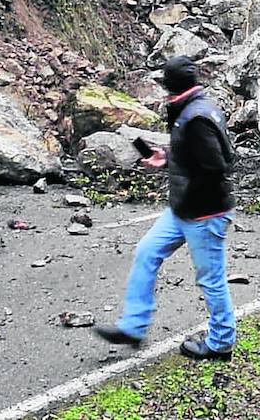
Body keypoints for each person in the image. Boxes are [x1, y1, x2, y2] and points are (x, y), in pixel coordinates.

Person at [93, 56, 237, 360]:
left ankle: (222, 342)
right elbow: (195, 153)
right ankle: (133, 327)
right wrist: (166, 156)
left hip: (204, 213)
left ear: (171, 86)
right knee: (147, 251)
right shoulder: (194, 107)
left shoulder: (196, 117)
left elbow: (217, 165)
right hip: (183, 208)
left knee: (211, 279)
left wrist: (181, 172)